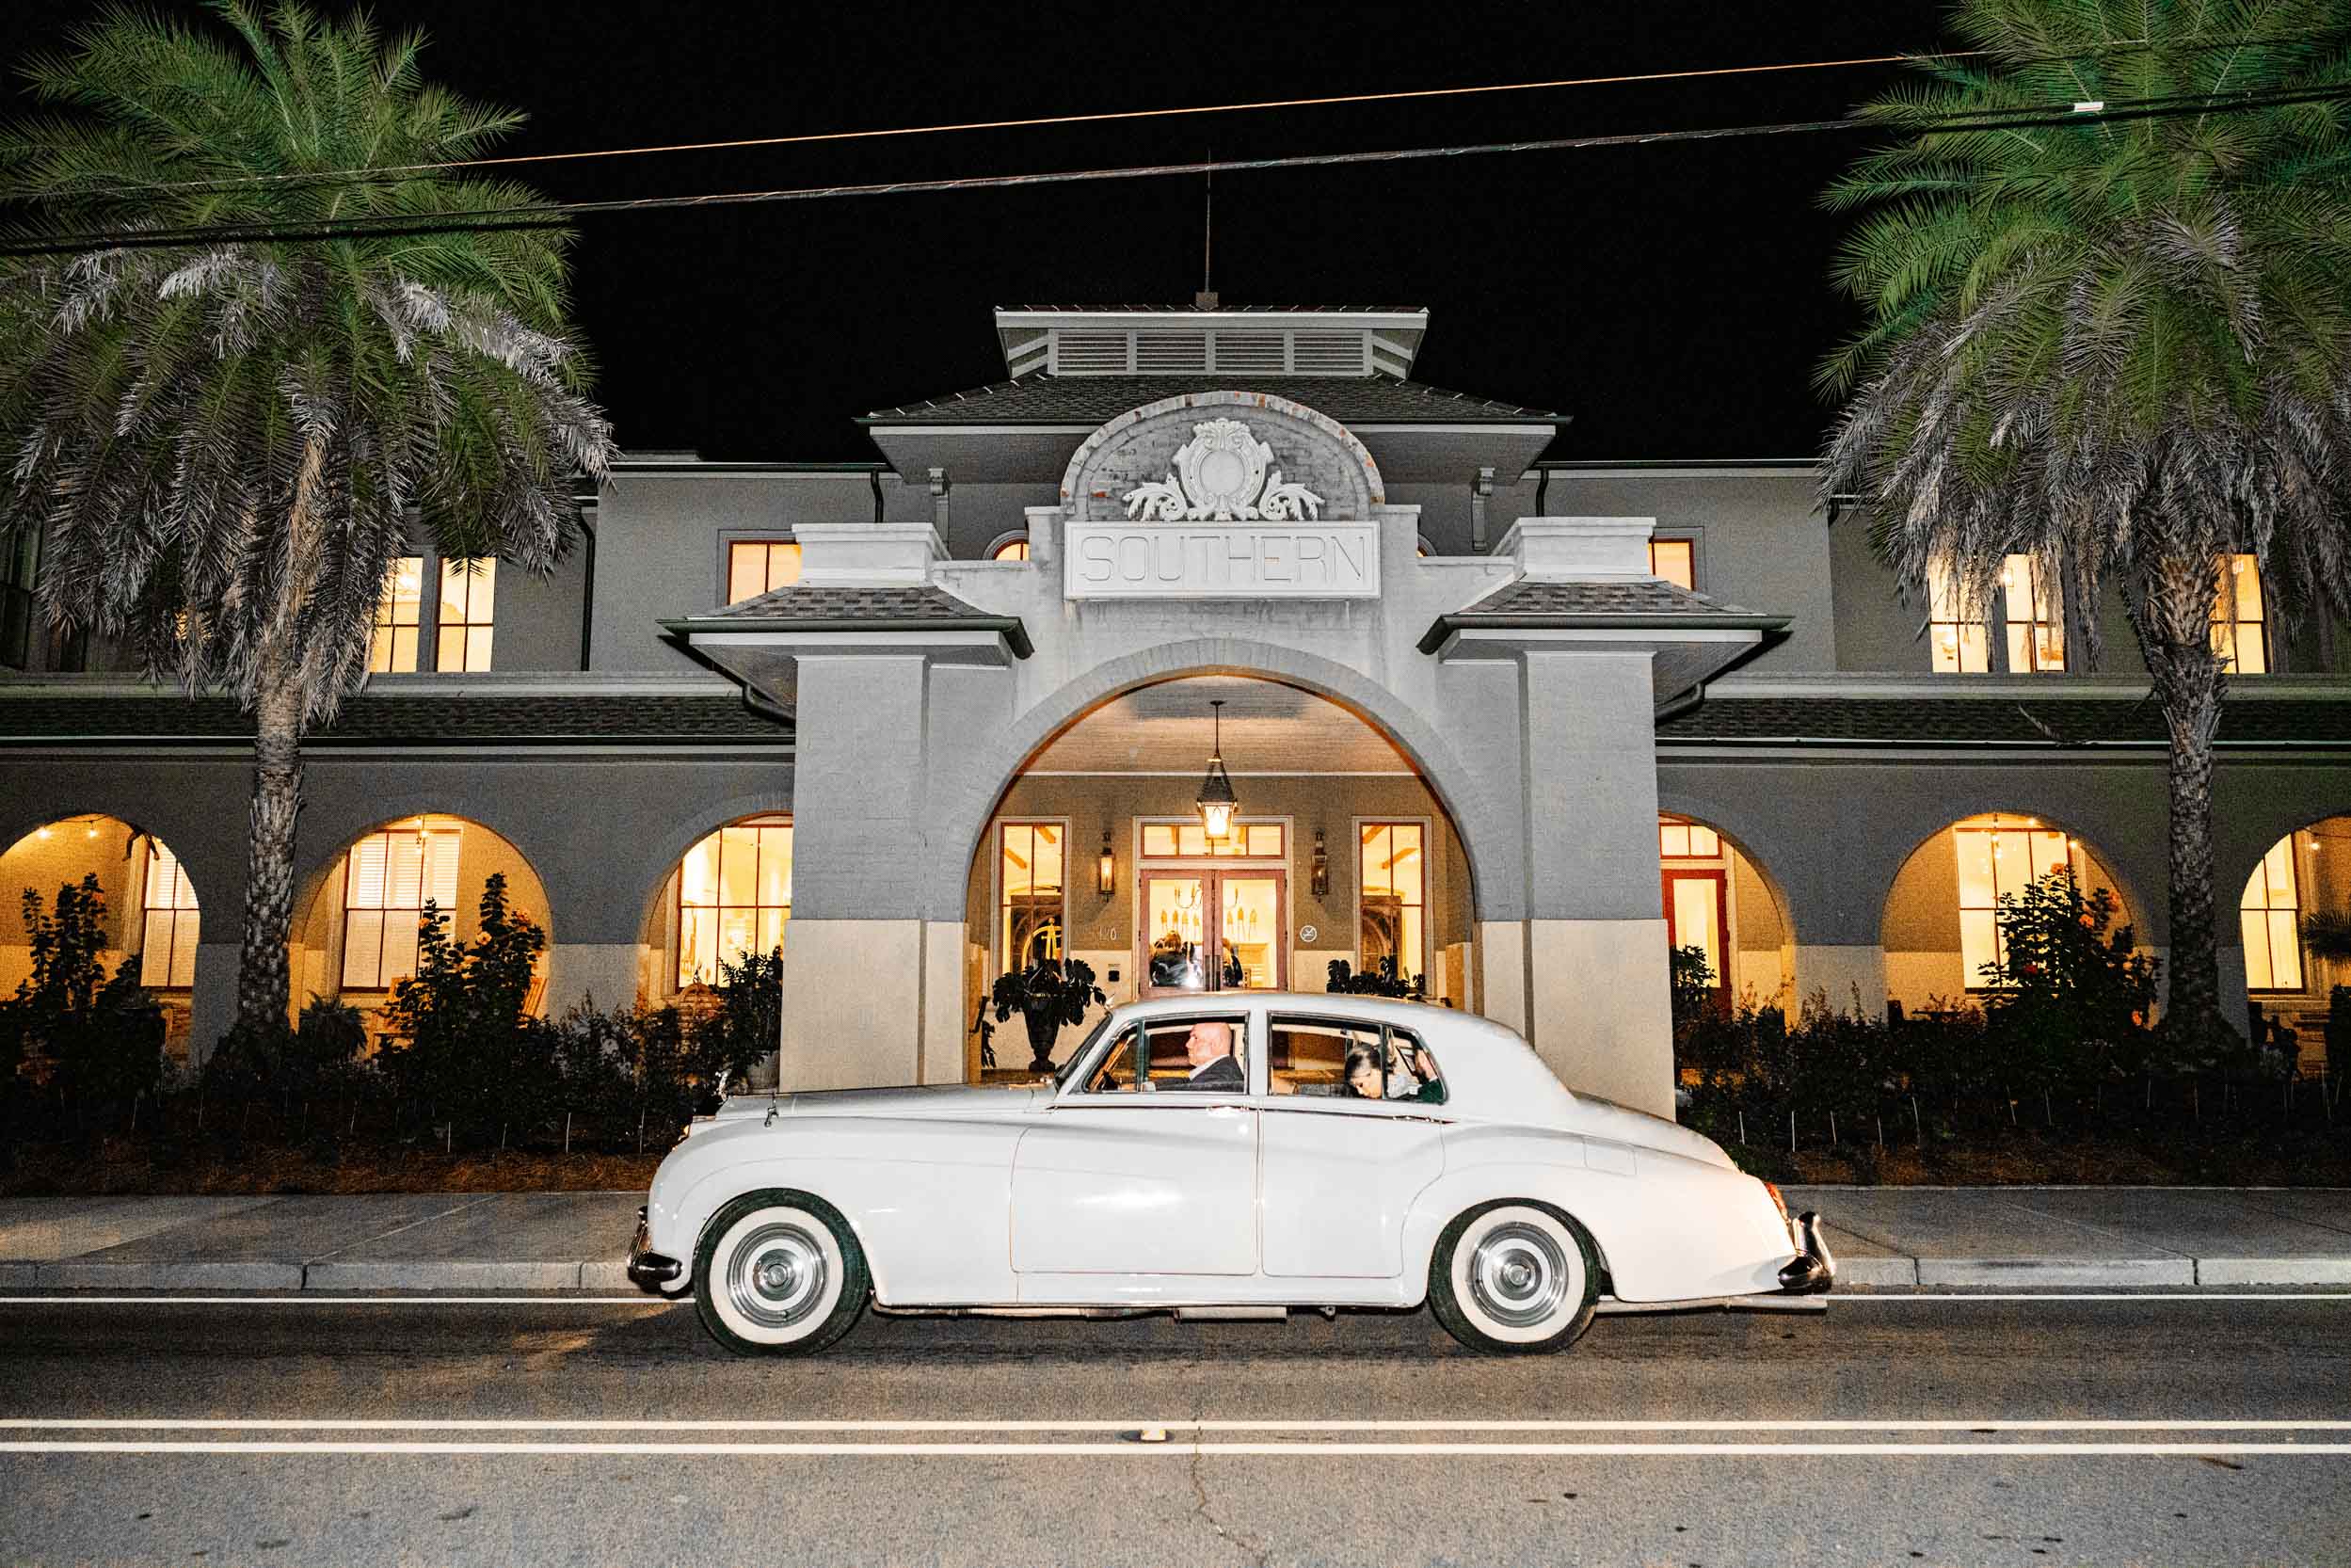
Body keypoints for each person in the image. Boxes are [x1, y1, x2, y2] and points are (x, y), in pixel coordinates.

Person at [1167, 1019, 1243, 1091]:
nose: (1188, 1044)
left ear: (1216, 1044)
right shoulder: (1219, 1073)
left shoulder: (1218, 1082)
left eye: (1196, 1038)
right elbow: (1185, 1082)